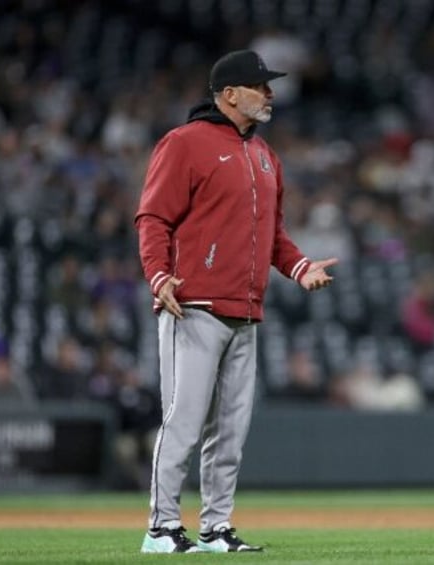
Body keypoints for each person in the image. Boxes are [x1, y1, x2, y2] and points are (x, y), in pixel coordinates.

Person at [135, 49, 338, 554]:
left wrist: (301, 268)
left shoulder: (266, 156)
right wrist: (158, 275)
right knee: (182, 424)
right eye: (259, 85)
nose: (269, 93)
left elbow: (274, 238)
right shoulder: (184, 143)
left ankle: (215, 527)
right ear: (228, 94)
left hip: (246, 312)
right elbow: (153, 218)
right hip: (194, 306)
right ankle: (160, 528)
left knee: (229, 434)